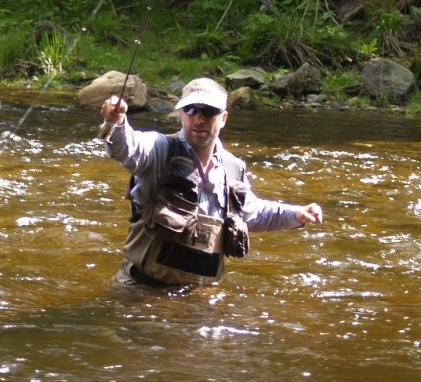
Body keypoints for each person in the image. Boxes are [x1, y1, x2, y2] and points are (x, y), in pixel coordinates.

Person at [99, 77, 324, 287]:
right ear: (180, 114)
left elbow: (250, 212)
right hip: (141, 290)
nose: (199, 118)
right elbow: (128, 148)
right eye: (191, 109)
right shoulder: (158, 149)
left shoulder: (234, 168)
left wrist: (296, 214)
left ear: (223, 118)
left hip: (199, 296)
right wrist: (118, 121)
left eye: (209, 111)